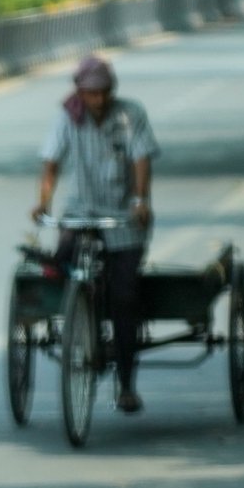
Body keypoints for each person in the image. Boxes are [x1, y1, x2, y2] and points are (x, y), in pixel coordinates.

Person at [31, 54, 160, 412]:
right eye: (91, 94)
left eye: (103, 93)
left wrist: (140, 200)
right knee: (63, 261)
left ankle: (126, 383)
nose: (98, 101)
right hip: (81, 213)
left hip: (122, 217)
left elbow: (141, 158)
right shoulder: (67, 117)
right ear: (80, 93)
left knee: (125, 296)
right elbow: (51, 161)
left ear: (111, 91)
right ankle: (78, 313)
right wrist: (43, 201)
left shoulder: (130, 114)